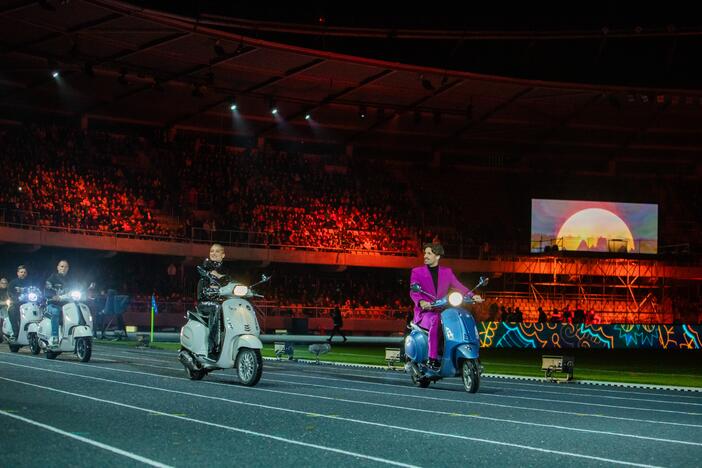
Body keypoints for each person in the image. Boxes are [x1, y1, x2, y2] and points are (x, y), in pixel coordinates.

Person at [409, 243, 469, 370]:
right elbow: (414, 291)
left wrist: (472, 295)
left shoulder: (447, 272)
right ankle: (432, 358)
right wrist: (421, 302)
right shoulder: (417, 272)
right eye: (425, 253)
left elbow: (458, 285)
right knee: (435, 320)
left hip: (442, 311)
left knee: (458, 316)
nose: (425, 256)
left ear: (437, 256)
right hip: (425, 313)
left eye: (429, 253)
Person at [196, 244, 230, 359]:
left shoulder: (227, 274)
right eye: (211, 251)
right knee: (216, 307)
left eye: (217, 251)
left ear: (223, 255)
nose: (213, 253)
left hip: (222, 303)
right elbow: (202, 291)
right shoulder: (205, 269)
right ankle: (212, 347)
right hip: (205, 302)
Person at [45, 260, 76, 346]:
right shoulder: (52, 278)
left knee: (78, 310)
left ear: (68, 268)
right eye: (62, 266)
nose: (64, 268)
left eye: (66, 267)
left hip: (67, 305)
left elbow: (77, 288)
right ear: (58, 267)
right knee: (55, 312)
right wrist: (53, 296)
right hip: (53, 304)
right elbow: (47, 290)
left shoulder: (71, 279)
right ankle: (54, 336)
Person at [8, 265, 31, 338]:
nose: (23, 273)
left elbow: (35, 290)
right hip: (16, 304)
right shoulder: (13, 282)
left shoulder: (30, 283)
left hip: (28, 304)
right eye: (21, 272)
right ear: (18, 273)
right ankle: (16, 333)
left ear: (26, 274)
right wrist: (14, 298)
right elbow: (10, 293)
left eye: (24, 272)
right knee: (11, 310)